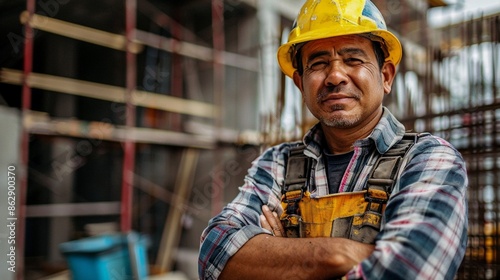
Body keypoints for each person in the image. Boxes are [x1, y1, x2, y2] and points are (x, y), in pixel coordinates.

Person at [198, 0, 468, 279]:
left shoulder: (429, 160)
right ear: (300, 84)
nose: (335, 76)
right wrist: (341, 254)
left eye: (353, 59)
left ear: (385, 76)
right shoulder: (277, 163)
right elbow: (214, 254)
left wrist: (281, 255)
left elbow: (409, 270)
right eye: (318, 63)